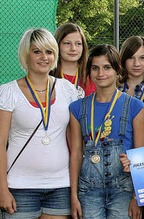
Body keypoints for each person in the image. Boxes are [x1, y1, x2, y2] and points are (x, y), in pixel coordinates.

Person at [0, 28, 79, 219]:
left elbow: (76, 145)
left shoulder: (67, 89)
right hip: (20, 187)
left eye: (49, 51)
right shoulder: (8, 92)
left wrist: (74, 191)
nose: (44, 57)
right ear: (26, 55)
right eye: (37, 51)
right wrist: (2, 189)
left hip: (60, 186)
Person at [68, 44, 144, 219]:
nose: (100, 73)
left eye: (107, 67)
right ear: (89, 72)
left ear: (118, 70)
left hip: (124, 190)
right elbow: (76, 153)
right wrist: (73, 196)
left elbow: (140, 156)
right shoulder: (76, 108)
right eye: (95, 68)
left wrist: (137, 197)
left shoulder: (135, 107)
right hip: (89, 190)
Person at [51, 22, 95, 97]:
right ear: (57, 45)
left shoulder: (93, 75)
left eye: (78, 44)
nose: (73, 48)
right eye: (67, 43)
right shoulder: (48, 76)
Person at [118, 36, 144, 106]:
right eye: (131, 58)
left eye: (142, 58)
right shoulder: (113, 89)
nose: (136, 64)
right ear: (123, 60)